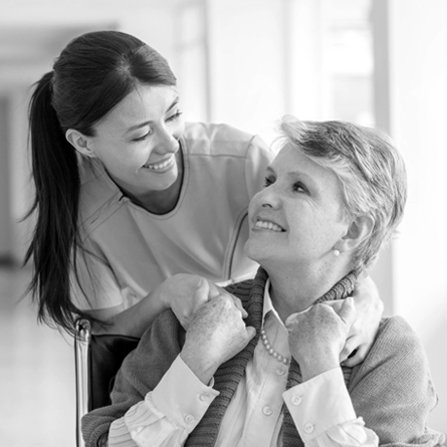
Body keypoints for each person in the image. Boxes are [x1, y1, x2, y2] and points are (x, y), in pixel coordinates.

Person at [81, 117, 444, 447]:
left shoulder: (390, 353)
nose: (263, 197)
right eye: (269, 180)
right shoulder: (193, 320)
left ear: (352, 229)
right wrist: (193, 364)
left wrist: (321, 368)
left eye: (299, 188)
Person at [26, 31, 381, 360]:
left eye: (173, 115)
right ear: (83, 143)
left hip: (269, 338)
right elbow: (104, 336)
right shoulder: (81, 214)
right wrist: (165, 296)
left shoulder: (240, 161)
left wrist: (366, 295)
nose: (169, 144)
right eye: (140, 136)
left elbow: (325, 235)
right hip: (166, 357)